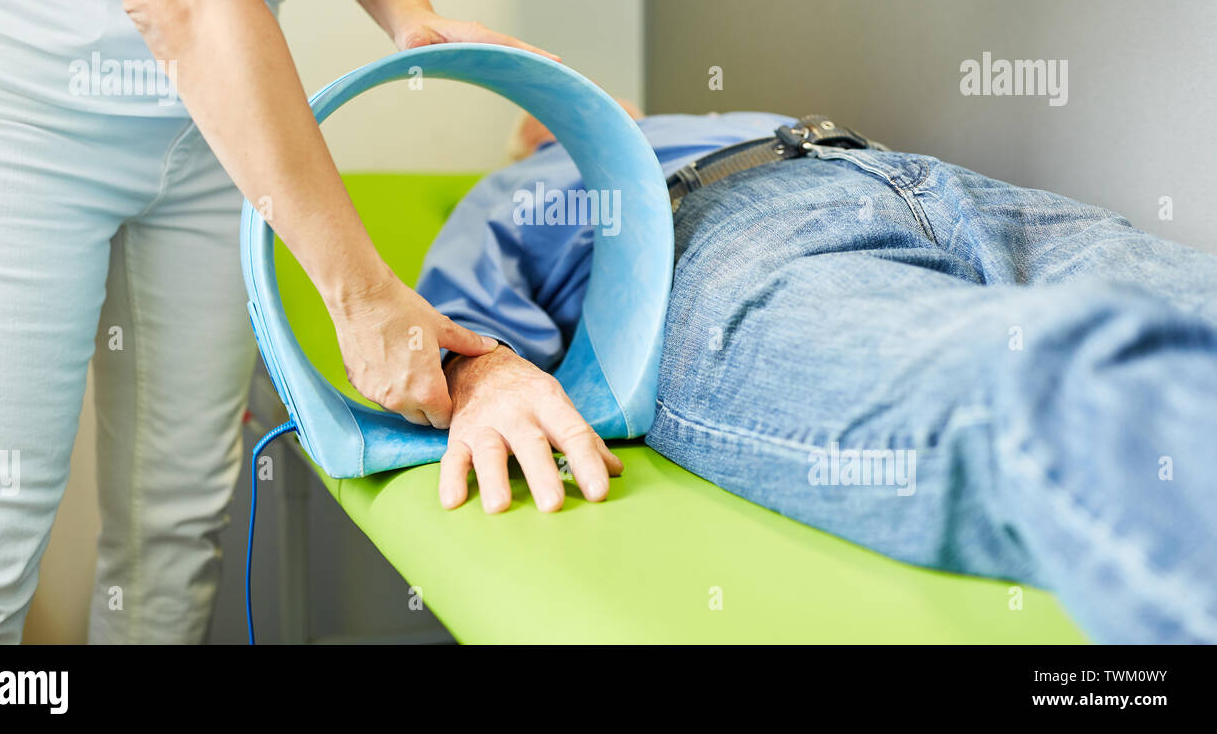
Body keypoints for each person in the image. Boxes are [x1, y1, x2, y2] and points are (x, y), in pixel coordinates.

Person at [0, 0, 549, 643]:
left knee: (177, 528)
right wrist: (362, 297)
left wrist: (411, 16)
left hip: (218, 123)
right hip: (15, 100)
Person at [418, 107, 1217, 644]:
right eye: (544, 103)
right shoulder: (508, 192)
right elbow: (455, 335)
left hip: (928, 181)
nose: (572, 101)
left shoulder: (696, 118)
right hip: (708, 242)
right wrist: (485, 378)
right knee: (1067, 384)